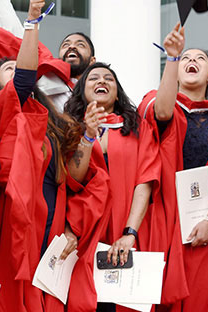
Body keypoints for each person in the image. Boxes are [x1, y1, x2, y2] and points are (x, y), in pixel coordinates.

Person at [0, 0, 109, 312]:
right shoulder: (0, 111)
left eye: (17, 66)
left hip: (51, 219)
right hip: (15, 219)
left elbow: (75, 176)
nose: (18, 71)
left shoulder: (51, 119)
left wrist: (88, 135)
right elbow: (23, 78)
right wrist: (32, 20)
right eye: (7, 68)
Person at [138, 25, 208, 312]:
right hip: (163, 220)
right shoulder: (157, 101)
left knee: (204, 299)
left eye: (200, 59)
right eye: (186, 58)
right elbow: (163, 112)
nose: (192, 61)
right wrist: (172, 57)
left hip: (205, 223)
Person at [64, 62, 160, 312]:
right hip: (84, 232)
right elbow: (73, 178)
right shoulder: (68, 128)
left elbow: (145, 180)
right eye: (93, 78)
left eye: (109, 78)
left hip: (125, 230)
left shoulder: (137, 128)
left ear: (117, 94)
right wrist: (88, 135)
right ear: (81, 90)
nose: (101, 81)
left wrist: (130, 232)